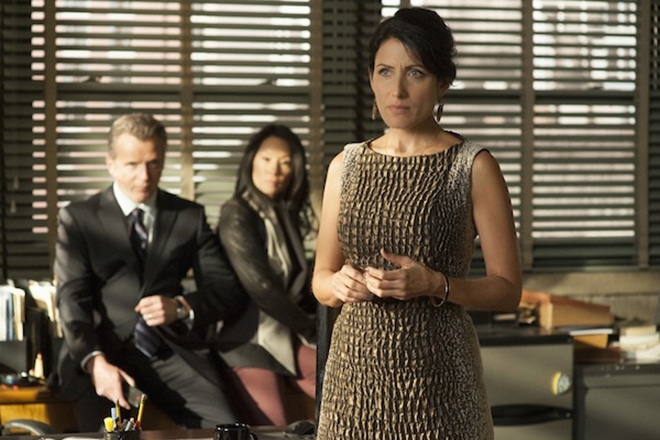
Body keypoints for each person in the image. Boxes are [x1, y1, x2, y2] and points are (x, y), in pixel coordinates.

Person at [311, 7, 522, 439]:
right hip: (352, 387)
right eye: (385, 71)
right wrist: (339, 285)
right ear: (370, 77)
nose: (398, 90)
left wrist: (434, 284)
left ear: (442, 82)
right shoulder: (345, 165)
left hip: (441, 385)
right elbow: (321, 280)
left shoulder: (473, 166)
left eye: (416, 73)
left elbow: (507, 290)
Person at [52, 112, 248, 431]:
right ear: (111, 164)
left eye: (153, 163)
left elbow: (226, 289)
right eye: (132, 164)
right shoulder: (78, 219)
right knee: (111, 435)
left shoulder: (188, 216)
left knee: (226, 430)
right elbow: (71, 299)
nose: (144, 176)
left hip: (170, 350)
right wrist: (94, 361)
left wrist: (181, 307)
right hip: (101, 352)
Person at [215, 124, 317, 426]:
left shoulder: (283, 211)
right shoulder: (236, 213)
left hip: (286, 334)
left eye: (285, 162)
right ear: (251, 161)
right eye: (267, 159)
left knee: (352, 392)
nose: (275, 170)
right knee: (276, 431)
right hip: (249, 342)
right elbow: (261, 288)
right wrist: (313, 330)